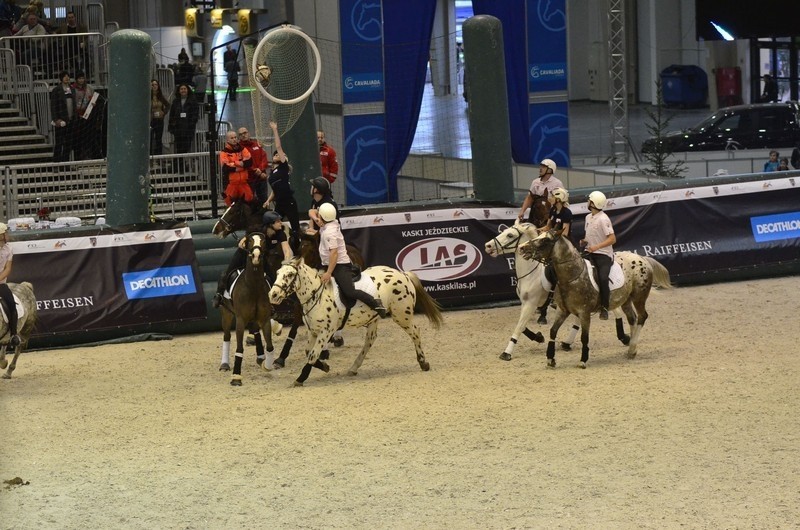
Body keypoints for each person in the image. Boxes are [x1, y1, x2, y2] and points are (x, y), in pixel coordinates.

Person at [211, 211, 292, 341]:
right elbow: (242, 242)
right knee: (227, 272)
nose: (280, 223)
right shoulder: (258, 231)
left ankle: (270, 304)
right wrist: (245, 245)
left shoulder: (280, 233)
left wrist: (287, 262)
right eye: (277, 221)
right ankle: (219, 295)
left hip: (261, 257)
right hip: (244, 254)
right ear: (270, 224)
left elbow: (286, 249)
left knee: (272, 277)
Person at [316, 203, 387, 318]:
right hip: (329, 263)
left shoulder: (330, 232)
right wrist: (319, 221)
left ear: (323, 216)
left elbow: (334, 254)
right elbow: (314, 212)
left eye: (319, 214)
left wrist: (329, 273)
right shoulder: (331, 223)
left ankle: (376, 304)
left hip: (340, 266)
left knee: (350, 292)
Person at [537, 187, 573, 323]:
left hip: (564, 245)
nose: (550, 198)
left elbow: (564, 233)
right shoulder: (552, 210)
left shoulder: (566, 213)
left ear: (559, 198)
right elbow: (548, 226)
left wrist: (549, 236)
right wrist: (537, 230)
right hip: (552, 241)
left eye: (553, 196)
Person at [579, 191, 616, 321]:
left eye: (589, 200)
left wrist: (597, 247)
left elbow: (612, 239)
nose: (587, 202)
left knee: (603, 278)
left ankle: (605, 308)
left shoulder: (603, 219)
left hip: (603, 255)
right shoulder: (588, 218)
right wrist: (585, 241)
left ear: (593, 203)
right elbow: (590, 235)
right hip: (589, 252)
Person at [265, 120, 301, 249]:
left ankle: (298, 248)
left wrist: (275, 129)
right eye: (275, 154)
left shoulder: (283, 167)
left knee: (295, 228)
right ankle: (274, 247)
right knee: (272, 225)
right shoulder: (272, 173)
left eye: (280, 155)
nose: (277, 155)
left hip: (288, 201)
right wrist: (268, 200)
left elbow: (279, 147)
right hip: (279, 202)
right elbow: (275, 189)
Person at [518, 158, 564, 223]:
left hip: (551, 216)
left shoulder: (557, 183)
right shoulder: (535, 182)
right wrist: (522, 211)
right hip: (536, 216)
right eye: (541, 166)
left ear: (550, 170)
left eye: (543, 167)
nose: (540, 168)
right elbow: (529, 198)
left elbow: (562, 201)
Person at [219, 130, 253, 206]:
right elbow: (226, 168)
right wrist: (240, 164)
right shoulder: (224, 152)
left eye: (235, 137)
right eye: (232, 138)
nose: (234, 139)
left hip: (244, 183)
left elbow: (249, 162)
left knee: (248, 204)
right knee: (231, 206)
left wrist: (234, 164)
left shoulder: (243, 149)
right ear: (227, 140)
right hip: (231, 184)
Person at [0, 222, 21, 347]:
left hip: (1, 283)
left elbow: (8, 269)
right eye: (5, 233)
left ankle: (14, 335)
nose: (7, 235)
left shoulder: (9, 249)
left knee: (12, 304)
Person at [237, 127, 269, 204]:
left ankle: (264, 215)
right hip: (249, 180)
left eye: (245, 133)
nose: (243, 135)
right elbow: (243, 163)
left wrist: (260, 170)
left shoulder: (257, 144)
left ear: (249, 133)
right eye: (240, 134)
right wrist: (255, 170)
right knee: (249, 201)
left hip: (261, 178)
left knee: (264, 200)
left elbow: (264, 158)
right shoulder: (238, 149)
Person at [49, 70, 76, 162]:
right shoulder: (56, 90)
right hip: (61, 121)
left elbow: (74, 104)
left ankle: (65, 162)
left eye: (68, 76)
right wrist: (56, 119)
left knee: (69, 143)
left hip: (70, 120)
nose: (67, 78)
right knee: (59, 142)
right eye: (64, 76)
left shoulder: (72, 89)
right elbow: (53, 106)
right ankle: (56, 162)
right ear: (61, 78)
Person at [168, 83, 199, 156]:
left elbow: (195, 114)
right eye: (181, 89)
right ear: (179, 91)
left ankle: (184, 162)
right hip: (178, 128)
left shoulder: (193, 101)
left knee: (186, 147)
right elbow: (172, 114)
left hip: (188, 128)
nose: (183, 90)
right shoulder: (175, 101)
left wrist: (191, 123)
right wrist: (172, 125)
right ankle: (180, 164)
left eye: (185, 89)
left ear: (188, 90)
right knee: (178, 147)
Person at [55, 11, 88, 76]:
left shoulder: (81, 26)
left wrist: (84, 42)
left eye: (72, 17)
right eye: (69, 17)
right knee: (69, 57)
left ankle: (87, 74)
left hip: (79, 45)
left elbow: (86, 37)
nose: (71, 19)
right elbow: (56, 33)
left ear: (75, 18)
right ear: (67, 19)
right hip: (67, 47)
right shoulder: (63, 26)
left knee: (86, 57)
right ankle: (78, 72)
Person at [71, 71, 95, 160]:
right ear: (76, 79)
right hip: (77, 117)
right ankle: (78, 157)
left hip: (87, 115)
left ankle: (87, 155)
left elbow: (92, 99)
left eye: (82, 78)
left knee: (88, 137)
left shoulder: (89, 88)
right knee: (77, 138)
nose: (81, 80)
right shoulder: (72, 89)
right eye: (79, 78)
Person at [150, 79, 170, 156]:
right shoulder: (148, 96)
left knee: (158, 139)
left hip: (159, 120)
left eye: (156, 84)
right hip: (151, 120)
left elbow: (168, 105)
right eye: (152, 85)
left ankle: (158, 156)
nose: (154, 86)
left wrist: (163, 113)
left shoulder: (160, 96)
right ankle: (150, 156)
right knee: (150, 138)